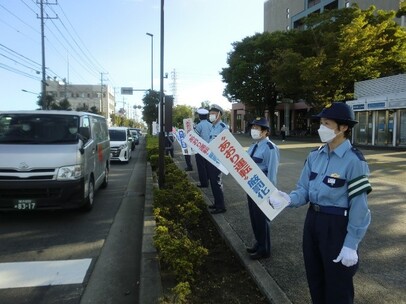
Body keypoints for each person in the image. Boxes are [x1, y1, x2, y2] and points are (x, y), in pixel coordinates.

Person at [269, 102, 372, 304]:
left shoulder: (354, 161)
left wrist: (352, 243)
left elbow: (360, 206)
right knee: (315, 278)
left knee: (338, 286)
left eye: (327, 123)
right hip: (313, 221)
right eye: (321, 123)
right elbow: (304, 189)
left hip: (336, 227)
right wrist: (289, 199)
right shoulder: (315, 155)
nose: (320, 128)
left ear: (343, 128)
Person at [246, 117, 280, 260]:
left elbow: (272, 173)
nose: (254, 130)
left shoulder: (270, 148)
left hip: (262, 189)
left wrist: (270, 193)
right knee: (254, 218)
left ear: (266, 132)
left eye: (257, 128)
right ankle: (258, 243)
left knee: (261, 220)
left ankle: (264, 249)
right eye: (253, 127)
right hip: (251, 187)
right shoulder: (253, 146)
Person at [207, 104, 228, 214]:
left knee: (217, 182)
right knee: (213, 182)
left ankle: (221, 206)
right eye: (210, 114)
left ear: (219, 115)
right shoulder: (213, 127)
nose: (211, 116)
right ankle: (217, 203)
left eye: (213, 114)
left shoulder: (223, 128)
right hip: (211, 158)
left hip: (218, 160)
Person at [194, 108, 212, 188]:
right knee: (208, 166)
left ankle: (204, 183)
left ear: (199, 116)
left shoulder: (199, 125)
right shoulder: (211, 125)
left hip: (201, 149)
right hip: (210, 149)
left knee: (201, 167)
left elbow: (195, 137)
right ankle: (208, 178)